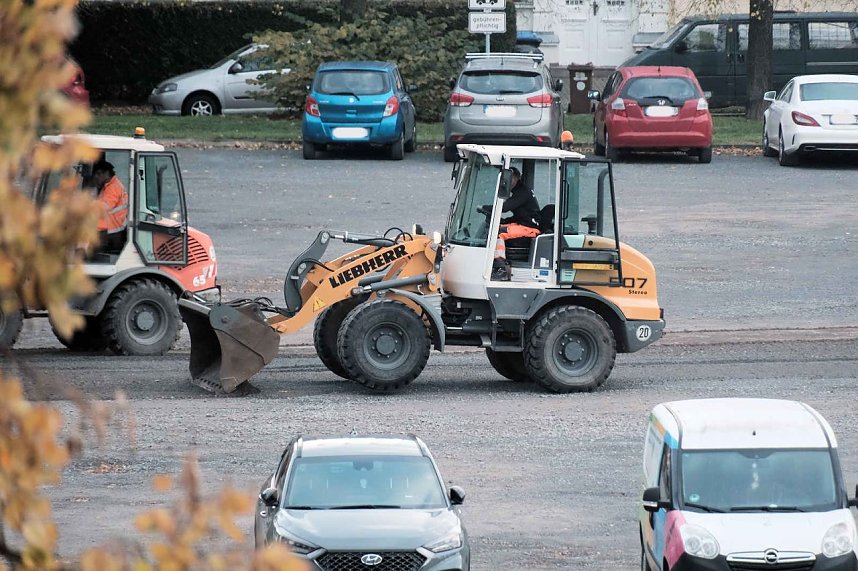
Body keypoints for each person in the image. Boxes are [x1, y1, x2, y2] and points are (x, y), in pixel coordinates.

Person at [491, 167, 541, 279]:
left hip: (530, 227)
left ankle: (500, 267)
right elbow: (520, 214)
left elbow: (505, 207)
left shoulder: (523, 192)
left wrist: (488, 207)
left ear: (517, 178)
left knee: (498, 233)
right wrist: (505, 221)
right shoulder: (518, 191)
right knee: (497, 227)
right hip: (523, 224)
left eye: (510, 178)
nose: (507, 181)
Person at [91, 160, 128, 253]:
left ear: (107, 173)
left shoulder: (113, 188)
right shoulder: (109, 186)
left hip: (110, 231)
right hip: (111, 229)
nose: (96, 177)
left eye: (99, 174)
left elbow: (104, 207)